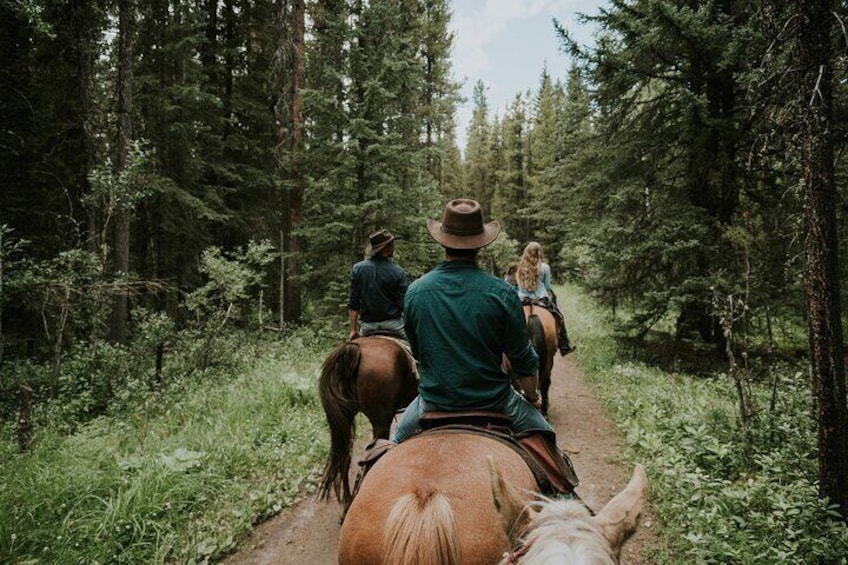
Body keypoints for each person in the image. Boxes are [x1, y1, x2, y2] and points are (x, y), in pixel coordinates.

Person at [392, 198, 553, 443]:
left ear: (442, 242)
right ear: (480, 245)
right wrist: (532, 396)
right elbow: (523, 361)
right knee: (548, 440)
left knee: (392, 447)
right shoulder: (503, 294)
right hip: (495, 401)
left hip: (433, 402)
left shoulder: (415, 292)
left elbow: (419, 353)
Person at [348, 229, 409, 341]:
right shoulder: (398, 272)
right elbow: (403, 305)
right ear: (387, 247)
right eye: (392, 245)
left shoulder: (357, 269)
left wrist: (353, 330)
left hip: (367, 327)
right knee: (416, 350)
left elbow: (353, 303)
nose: (394, 248)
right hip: (394, 325)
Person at [516, 241, 575, 356]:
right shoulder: (545, 267)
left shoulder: (520, 268)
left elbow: (519, 286)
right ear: (539, 253)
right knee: (559, 316)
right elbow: (547, 287)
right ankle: (564, 345)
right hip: (541, 299)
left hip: (522, 300)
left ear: (526, 253)